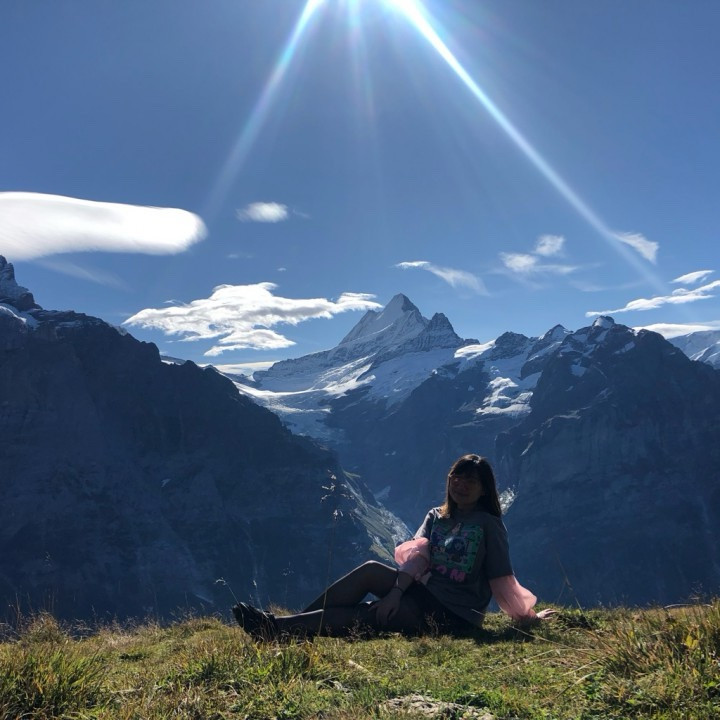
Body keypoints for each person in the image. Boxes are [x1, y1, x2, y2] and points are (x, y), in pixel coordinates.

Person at [232, 453, 552, 640]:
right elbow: (417, 559)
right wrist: (397, 592)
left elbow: (500, 576)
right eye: (457, 478)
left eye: (471, 481)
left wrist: (526, 616)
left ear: (484, 489)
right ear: (449, 480)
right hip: (423, 593)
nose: (461, 485)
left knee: (371, 613)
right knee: (371, 570)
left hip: (455, 615)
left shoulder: (488, 525)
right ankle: (292, 628)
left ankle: (276, 628)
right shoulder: (436, 516)